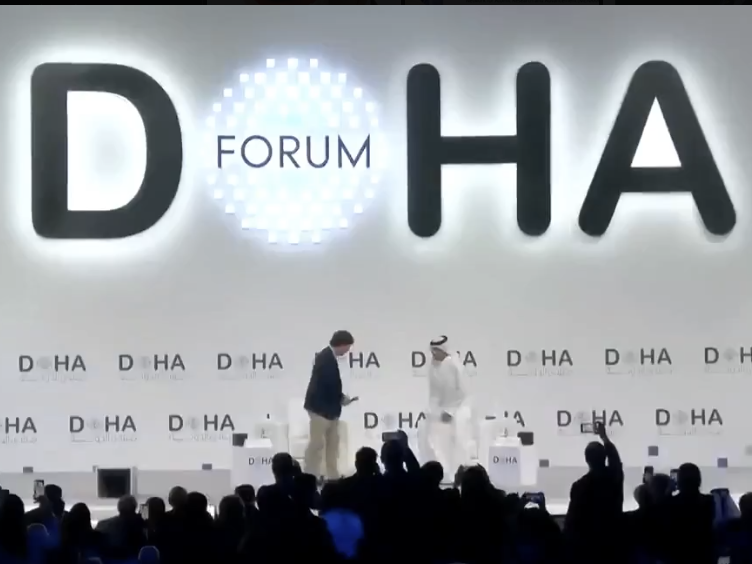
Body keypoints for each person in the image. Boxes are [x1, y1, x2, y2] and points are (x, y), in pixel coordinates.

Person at [564, 420, 624, 564]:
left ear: (586, 459)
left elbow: (572, 521)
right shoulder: (614, 478)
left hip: (589, 549)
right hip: (613, 545)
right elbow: (615, 461)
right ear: (604, 457)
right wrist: (604, 437)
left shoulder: (580, 486)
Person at [303, 329, 356, 482]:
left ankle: (332, 476)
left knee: (333, 445)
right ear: (342, 344)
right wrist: (341, 398)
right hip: (320, 409)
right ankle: (310, 476)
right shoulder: (325, 358)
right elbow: (327, 384)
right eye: (348, 347)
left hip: (330, 410)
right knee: (317, 445)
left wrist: (340, 399)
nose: (348, 351)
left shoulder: (329, 357)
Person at [418, 335, 473, 479]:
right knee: (432, 434)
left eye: (436, 350)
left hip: (460, 408)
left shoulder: (455, 365)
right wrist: (433, 411)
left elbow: (464, 392)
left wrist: (451, 412)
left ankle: (463, 473)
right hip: (442, 409)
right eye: (432, 350)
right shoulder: (432, 367)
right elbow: (434, 394)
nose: (433, 353)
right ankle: (443, 472)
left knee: (460, 438)